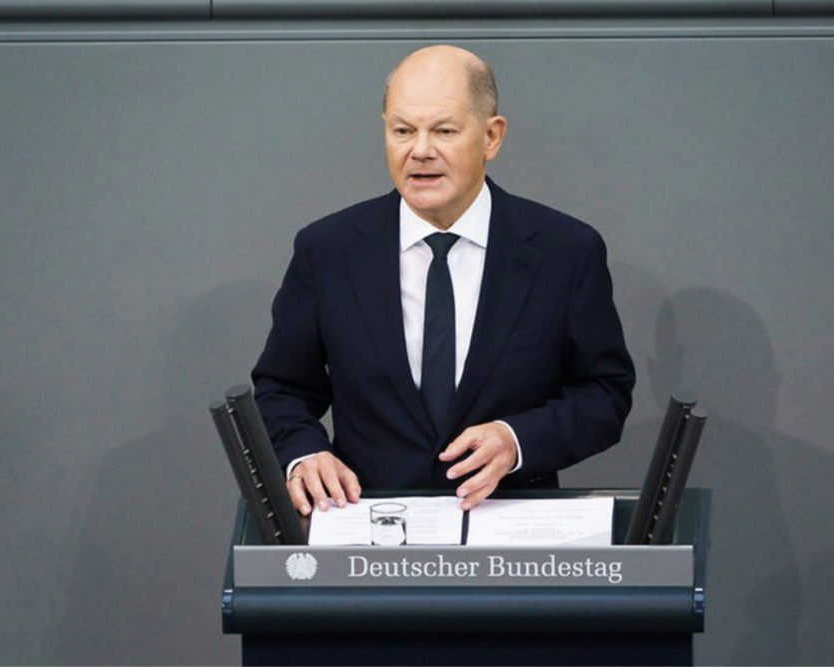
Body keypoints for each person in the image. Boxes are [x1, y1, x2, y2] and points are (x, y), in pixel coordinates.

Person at [252, 45, 634, 517]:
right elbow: (282, 387)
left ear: (491, 137)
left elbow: (604, 393)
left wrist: (516, 441)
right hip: (369, 533)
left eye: (444, 130)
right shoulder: (327, 250)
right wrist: (304, 454)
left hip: (510, 536)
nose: (421, 150)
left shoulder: (565, 251)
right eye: (403, 130)